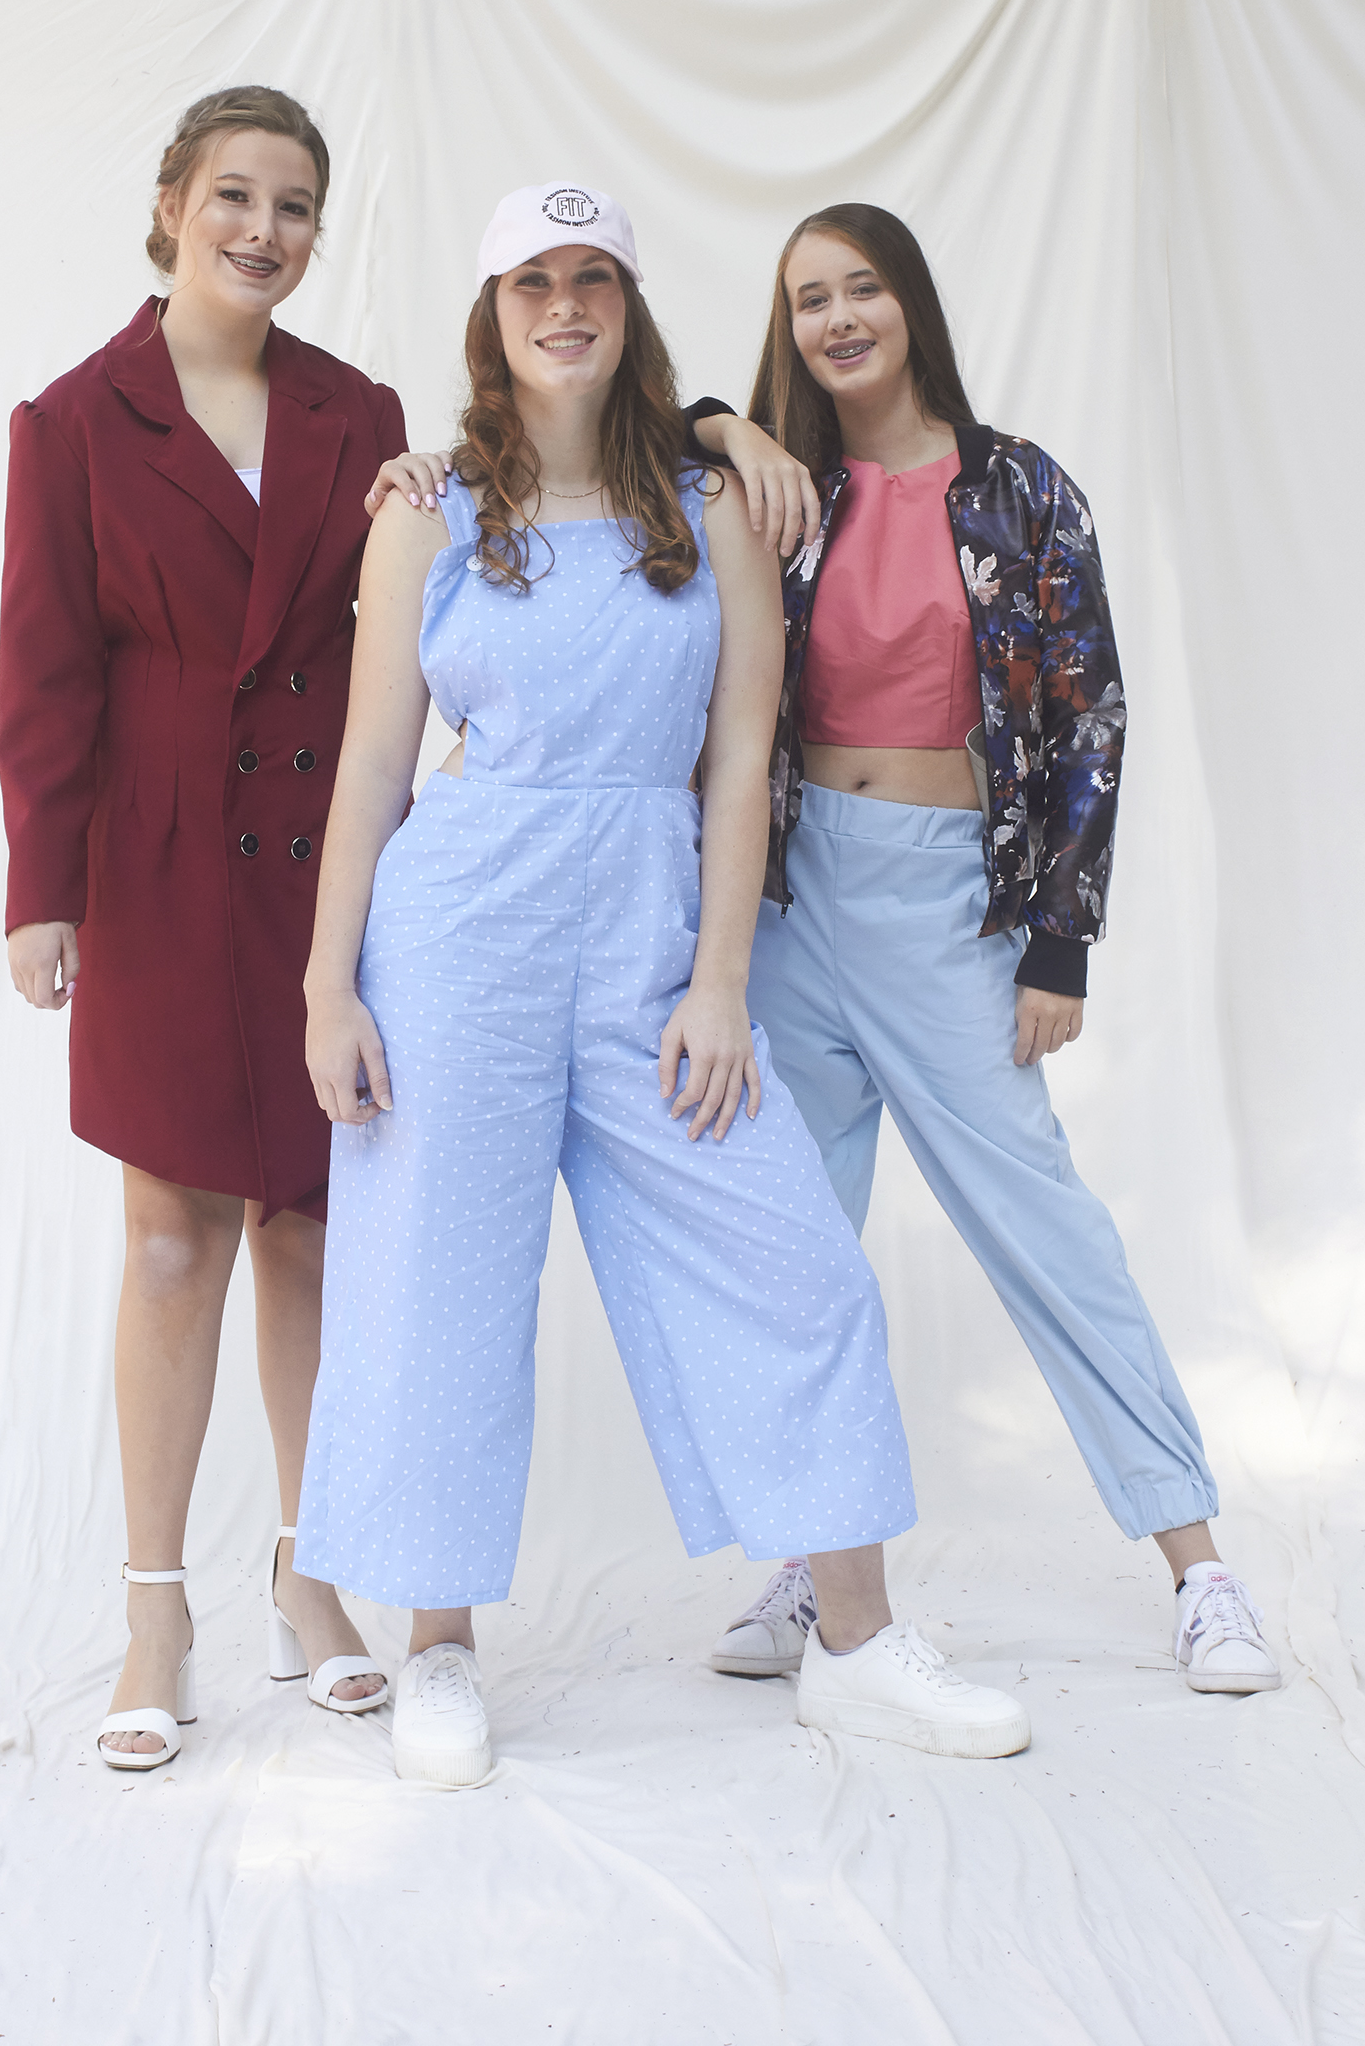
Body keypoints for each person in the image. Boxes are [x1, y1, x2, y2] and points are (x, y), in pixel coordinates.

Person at [294, 181, 1031, 1788]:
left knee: (793, 1271)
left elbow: (746, 753)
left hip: (647, 934)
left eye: (595, 280)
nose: (564, 306)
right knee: (437, 1288)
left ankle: (857, 1643)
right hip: (458, 931)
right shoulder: (426, 509)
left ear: (630, 307)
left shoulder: (712, 508)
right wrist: (326, 988)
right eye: (533, 282)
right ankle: (437, 1651)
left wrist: (714, 983)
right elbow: (370, 767)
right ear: (491, 312)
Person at [675, 204, 1278, 1701]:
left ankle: (1200, 1568)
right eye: (807, 299)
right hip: (793, 907)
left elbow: (1091, 721)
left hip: (951, 908)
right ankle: (820, 1570)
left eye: (860, 288)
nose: (835, 320)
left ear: (910, 302)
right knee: (795, 1247)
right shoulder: (769, 486)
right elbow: (625, 444)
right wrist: (715, 422)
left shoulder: (1021, 491)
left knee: (1048, 1233)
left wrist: (1058, 944)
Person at [0, 87, 401, 1772]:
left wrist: (726, 427)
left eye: (296, 205)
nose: (264, 229)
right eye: (234, 194)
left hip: (325, 864)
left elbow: (498, 527)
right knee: (172, 1237)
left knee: (310, 1227)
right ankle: (156, 1607)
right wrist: (43, 889)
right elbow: (44, 669)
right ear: (169, 204)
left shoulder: (361, 409)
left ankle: (311, 1581)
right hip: (158, 868)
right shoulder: (76, 417)